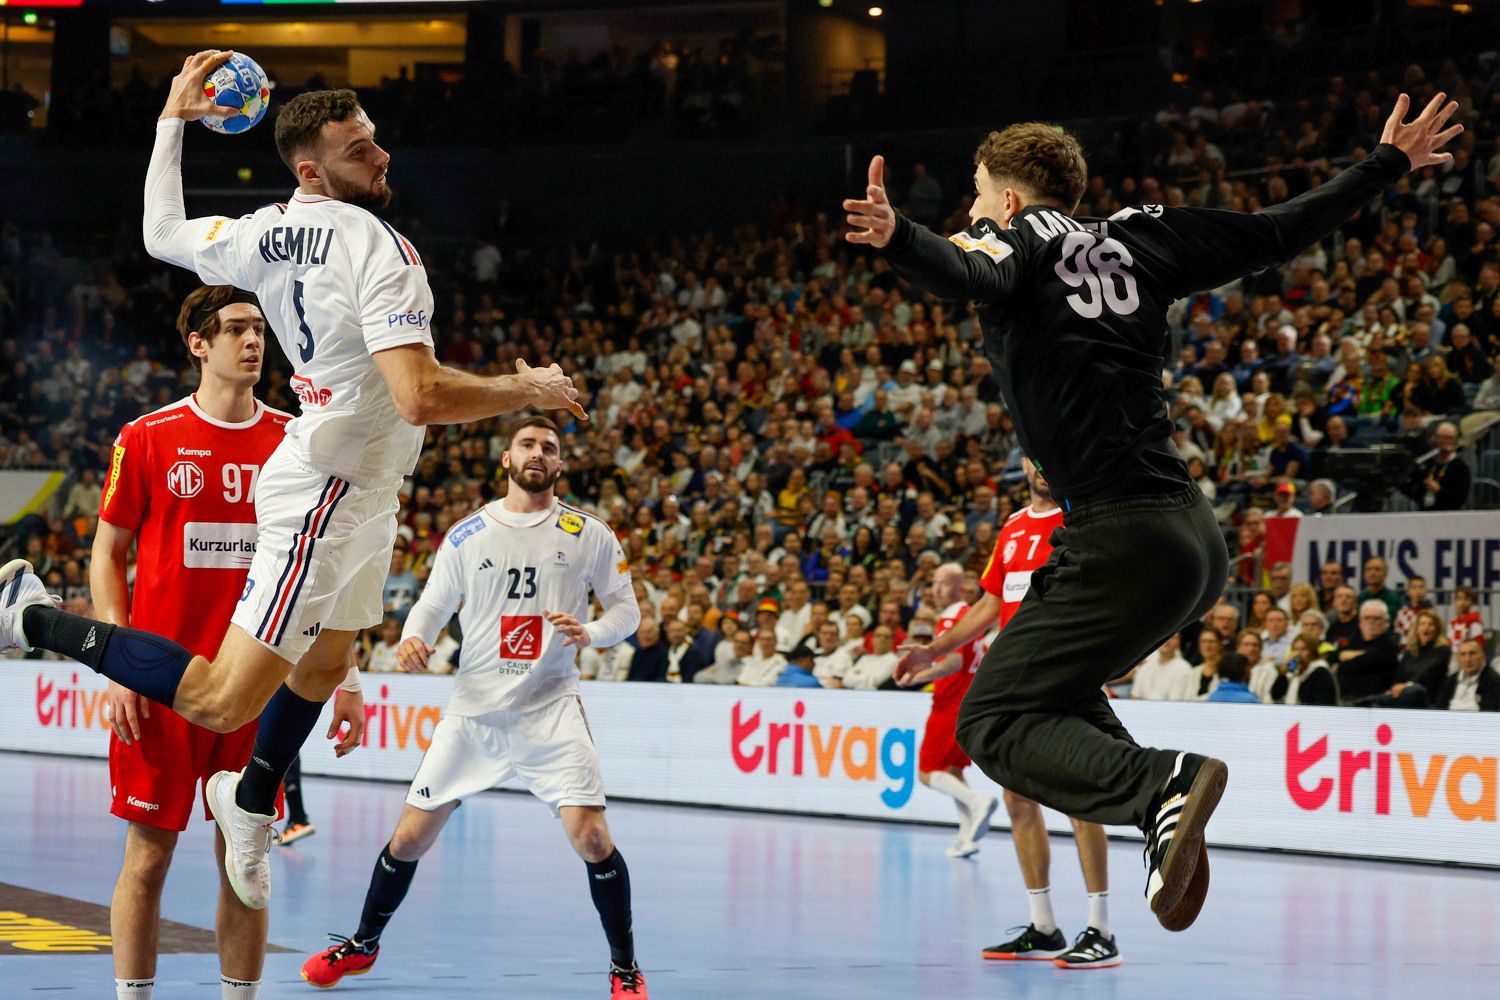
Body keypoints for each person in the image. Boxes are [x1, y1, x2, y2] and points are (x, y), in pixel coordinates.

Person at [845, 90, 1458, 930]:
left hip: (1116, 532)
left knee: (990, 719)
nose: (973, 212)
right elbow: (1275, 231)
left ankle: (1161, 786)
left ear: (1011, 199)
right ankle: (1167, 814)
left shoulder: (1009, 234)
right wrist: (1385, 165)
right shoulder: (1138, 235)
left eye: (978, 196)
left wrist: (900, 239)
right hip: (1190, 540)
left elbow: (968, 272)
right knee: (1054, 692)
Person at [0, 57, 587, 912]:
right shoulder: (380, 247)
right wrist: (521, 388)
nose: (381, 156)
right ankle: (32, 615)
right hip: (328, 486)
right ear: (312, 167)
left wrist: (172, 121)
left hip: (363, 483)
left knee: (327, 659)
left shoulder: (260, 230)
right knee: (216, 697)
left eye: (375, 139)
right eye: (359, 149)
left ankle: (249, 799)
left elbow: (162, 233)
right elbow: (419, 394)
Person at [300, 416, 648, 998]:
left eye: (550, 448)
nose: (539, 453)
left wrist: (592, 632)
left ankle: (625, 967)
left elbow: (627, 612)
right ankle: (361, 946)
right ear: (507, 459)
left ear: (560, 466)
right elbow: (432, 605)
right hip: (473, 713)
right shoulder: (468, 535)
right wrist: (416, 636)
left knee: (591, 838)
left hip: (550, 707)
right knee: (408, 839)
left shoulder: (588, 533)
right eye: (528, 445)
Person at [96, 285, 363, 1000]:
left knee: (245, 862)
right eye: (237, 329)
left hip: (257, 687)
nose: (254, 342)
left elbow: (330, 569)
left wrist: (348, 677)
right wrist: (120, 665)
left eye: (260, 330)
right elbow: (106, 555)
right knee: (148, 860)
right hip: (162, 684)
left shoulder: (297, 438)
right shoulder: (146, 437)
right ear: (198, 344)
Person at [898, 461, 1123, 969]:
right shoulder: (1013, 527)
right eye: (1037, 459)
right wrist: (932, 652)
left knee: (1078, 798)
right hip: (1016, 680)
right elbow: (986, 607)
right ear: (1025, 463)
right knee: (1018, 797)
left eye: (1053, 458)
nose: (1045, 467)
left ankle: (1102, 931)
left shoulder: (1078, 519)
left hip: (1067, 675)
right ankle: (1044, 926)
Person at [904, 562, 999, 860]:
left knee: (927, 772)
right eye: (933, 583)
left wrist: (917, 677)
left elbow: (955, 661)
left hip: (950, 702)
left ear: (960, 587)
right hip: (969, 701)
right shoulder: (971, 616)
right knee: (952, 770)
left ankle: (977, 801)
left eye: (942, 583)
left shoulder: (951, 618)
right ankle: (966, 836)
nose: (935, 589)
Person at [1339, 600, 1402, 704]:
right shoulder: (1354, 640)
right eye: (1367, 618)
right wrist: (1364, 654)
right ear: (1360, 622)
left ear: (1386, 622)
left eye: (1376, 618)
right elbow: (1332, 656)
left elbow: (1362, 662)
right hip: (1346, 699)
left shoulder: (1389, 644)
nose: (1371, 621)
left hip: (1376, 701)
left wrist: (1349, 656)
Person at [1433, 639, 1499, 711]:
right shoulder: (1450, 681)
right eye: (1463, 654)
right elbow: (1439, 708)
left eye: (1472, 653)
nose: (1467, 659)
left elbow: (1490, 713)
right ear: (1457, 659)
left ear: (1482, 656)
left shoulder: (1494, 681)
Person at [1129, 635, 1197, 701]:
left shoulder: (1183, 668)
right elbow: (1136, 696)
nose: (1166, 641)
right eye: (1163, 636)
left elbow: (1174, 704)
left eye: (1172, 637)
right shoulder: (1145, 666)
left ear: (1178, 642)